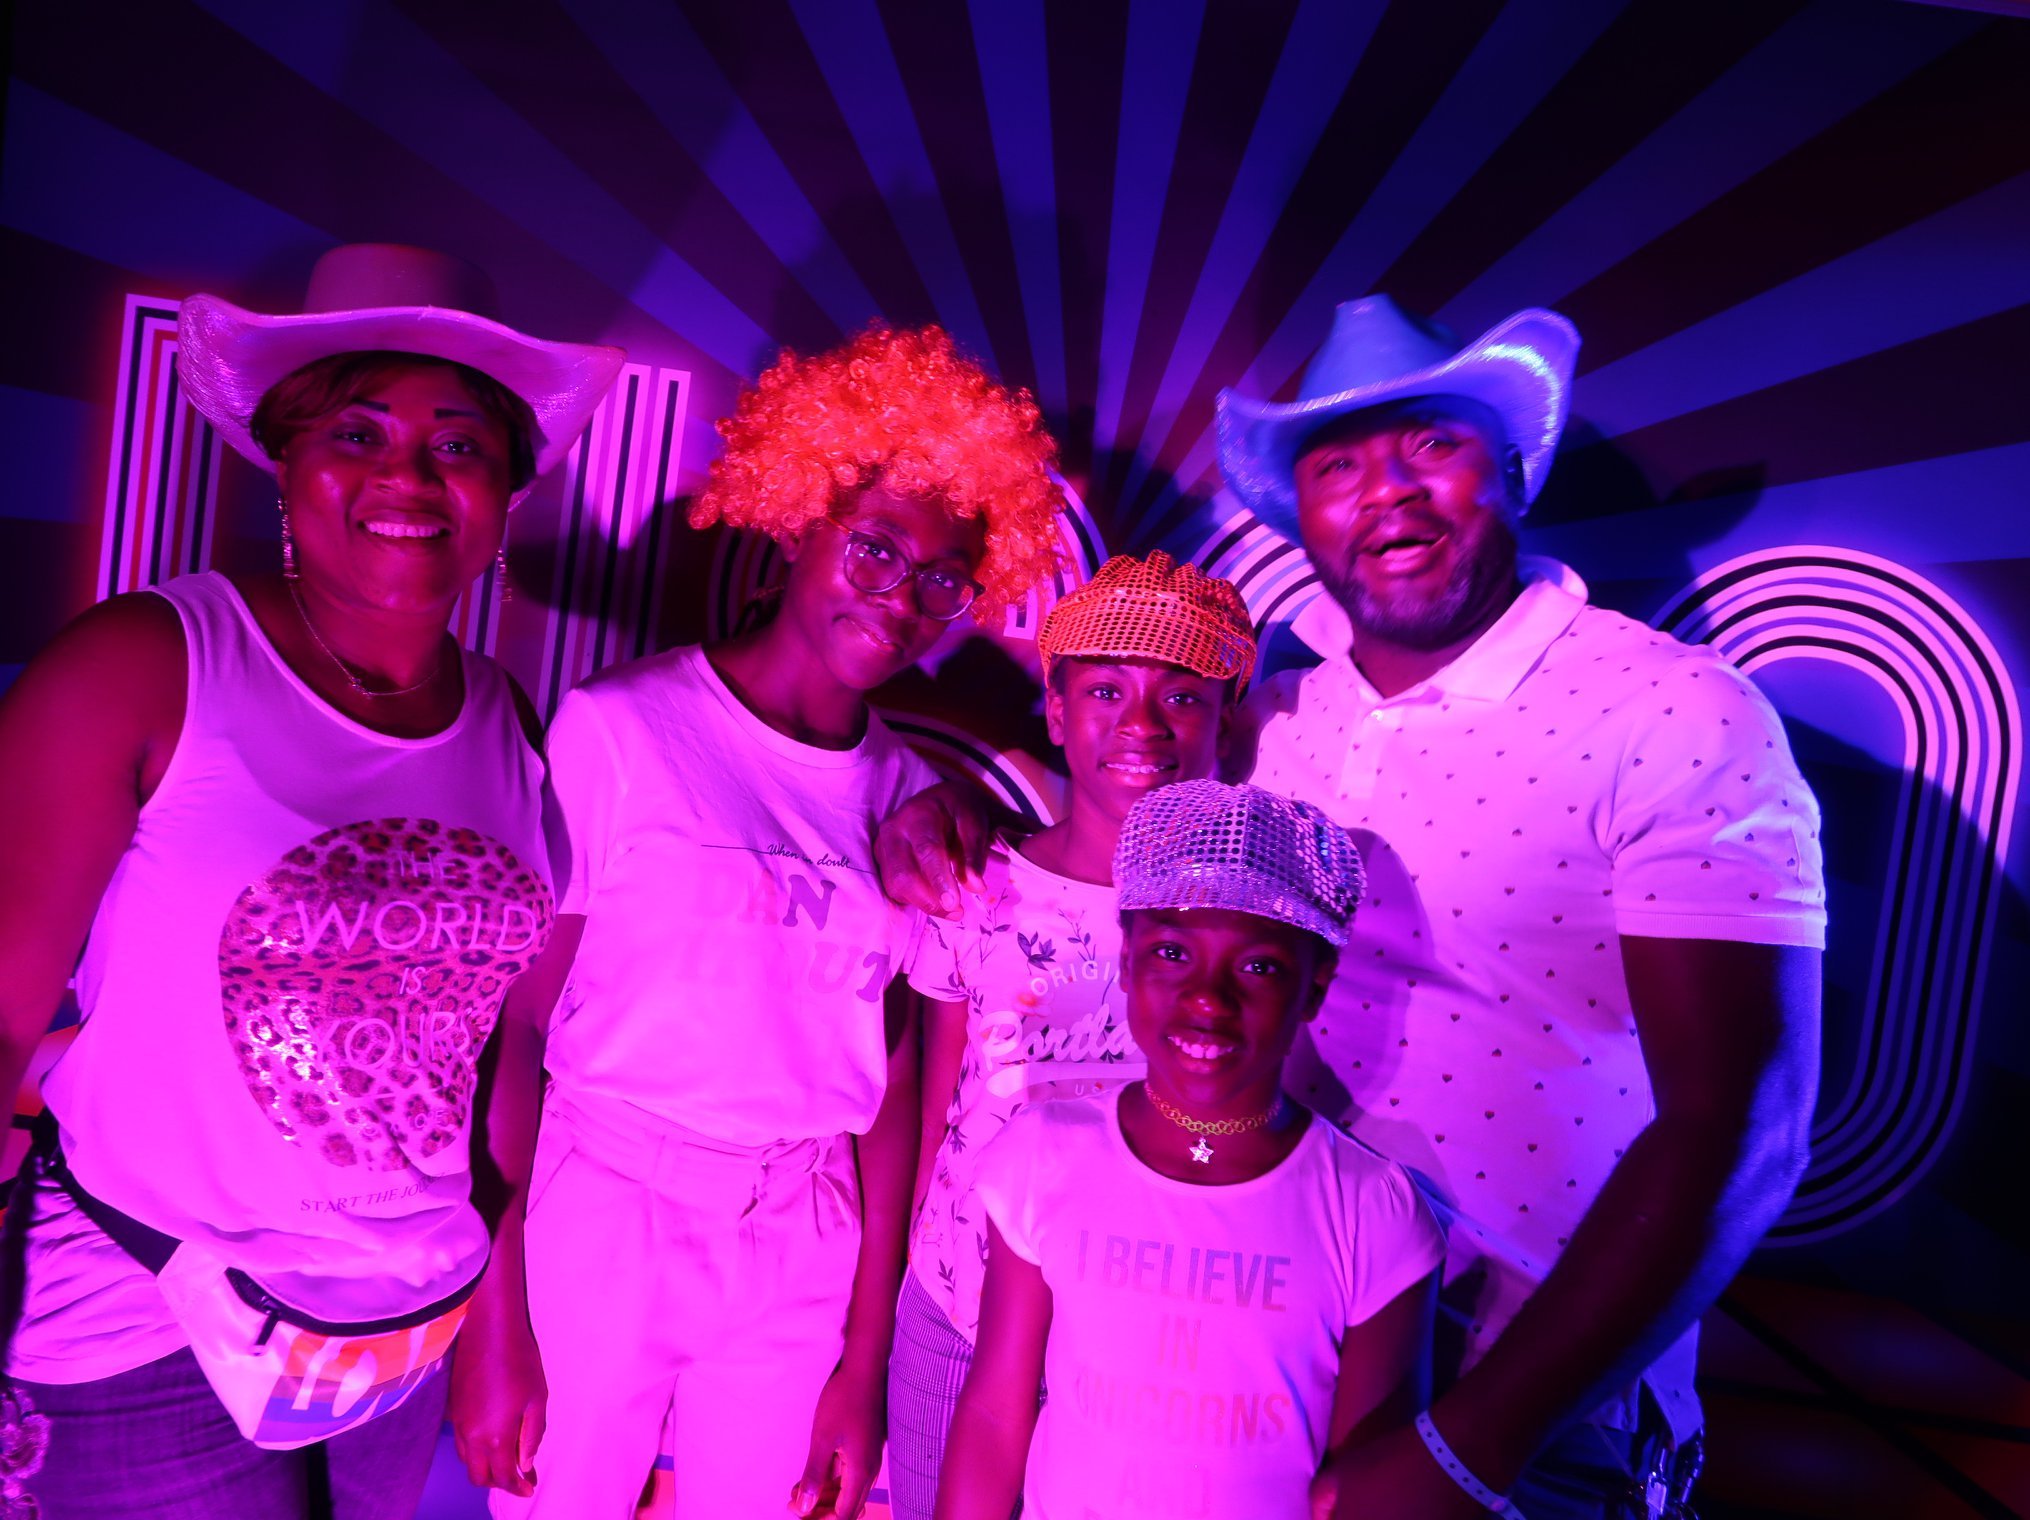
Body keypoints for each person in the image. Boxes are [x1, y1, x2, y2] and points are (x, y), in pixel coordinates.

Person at [878, 296, 1827, 1518]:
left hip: (1520, 1398)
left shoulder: (1672, 712)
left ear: (1510, 468)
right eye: (1337, 464)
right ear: (1299, 514)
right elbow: (1108, 814)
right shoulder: (1275, 724)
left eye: (1430, 442)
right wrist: (940, 808)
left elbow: (1745, 1127)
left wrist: (1467, 1445)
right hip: (1244, 1359)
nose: (1385, 488)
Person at [0, 243, 623, 1518]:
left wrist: (498, 1316)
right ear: (285, 462)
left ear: (504, 492)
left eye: (458, 443)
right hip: (145, 1317)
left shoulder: (506, 721)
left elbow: (498, 1052)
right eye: (357, 429)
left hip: (403, 1331)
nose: (408, 472)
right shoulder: (145, 664)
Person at [450, 324, 1065, 1520]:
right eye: (874, 547)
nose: (900, 599)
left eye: (942, 578)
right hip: (605, 1198)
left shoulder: (911, 799)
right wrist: (494, 1308)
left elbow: (891, 1093)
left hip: (803, 1228)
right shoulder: (620, 728)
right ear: (796, 522)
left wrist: (861, 1361)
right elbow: (514, 1028)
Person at [937, 779, 1443, 1520]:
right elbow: (993, 1415)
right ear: (1128, 962)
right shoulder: (1043, 1158)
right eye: (1173, 952)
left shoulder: (1374, 1214)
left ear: (1314, 989)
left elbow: (1366, 1489)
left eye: (1259, 966)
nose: (1209, 997)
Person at [887, 552, 1258, 1520]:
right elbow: (939, 1109)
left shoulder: (1246, 925)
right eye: (1105, 690)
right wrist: (898, 1297)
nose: (1142, 723)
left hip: (1140, 1340)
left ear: (1225, 726)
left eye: (1182, 696)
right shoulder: (978, 879)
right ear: (1055, 713)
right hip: (957, 1310)